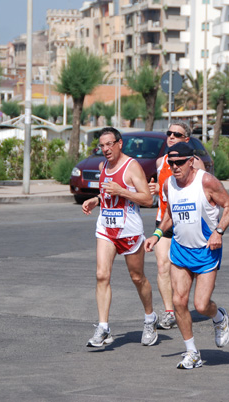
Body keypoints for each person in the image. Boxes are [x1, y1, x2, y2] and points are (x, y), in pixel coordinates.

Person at [145, 142, 229, 370]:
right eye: (171, 163)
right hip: (180, 250)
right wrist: (157, 234)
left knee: (202, 304)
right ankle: (192, 352)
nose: (175, 167)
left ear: (190, 162)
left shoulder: (205, 181)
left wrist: (219, 232)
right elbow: (170, 215)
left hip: (207, 251)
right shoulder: (168, 185)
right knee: (179, 301)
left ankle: (218, 317)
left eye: (179, 163)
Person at [82, 127, 158, 348]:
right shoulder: (102, 166)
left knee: (137, 278)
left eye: (109, 144)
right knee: (101, 275)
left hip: (129, 230)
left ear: (119, 143)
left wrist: (122, 191)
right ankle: (103, 327)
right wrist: (96, 199)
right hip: (106, 227)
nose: (105, 149)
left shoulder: (131, 166)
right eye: (102, 145)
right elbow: (107, 191)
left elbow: (146, 199)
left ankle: (149, 318)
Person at [147, 121, 205, 330]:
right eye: (169, 133)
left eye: (177, 134)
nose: (171, 137)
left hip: (189, 223)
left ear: (186, 140)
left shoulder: (196, 164)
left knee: (189, 268)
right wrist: (155, 190)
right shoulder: (161, 161)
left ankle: (192, 303)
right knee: (163, 265)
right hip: (165, 219)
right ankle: (170, 311)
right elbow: (163, 191)